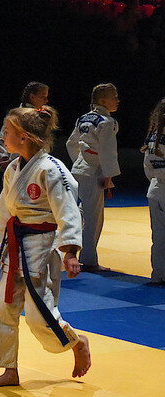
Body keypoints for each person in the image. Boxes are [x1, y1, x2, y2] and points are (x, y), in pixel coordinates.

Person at [0, 106, 91, 388]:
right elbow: (5, 208)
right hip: (15, 245)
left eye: (7, 132)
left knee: (38, 314)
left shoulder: (52, 169)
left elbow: (68, 209)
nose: (2, 136)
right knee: (2, 308)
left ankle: (76, 342)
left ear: (24, 137)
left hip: (42, 247)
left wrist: (71, 251)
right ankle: (9, 369)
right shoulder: (13, 169)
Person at [66, 83, 120, 272]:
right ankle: (89, 260)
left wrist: (80, 161)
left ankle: (70, 249)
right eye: (114, 97)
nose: (118, 100)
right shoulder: (107, 122)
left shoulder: (83, 118)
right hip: (95, 171)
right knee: (93, 218)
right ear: (103, 101)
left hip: (79, 169)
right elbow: (108, 151)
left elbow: (70, 143)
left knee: (81, 213)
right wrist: (107, 174)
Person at [0, 82, 49, 172]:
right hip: (19, 166)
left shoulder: (42, 116)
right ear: (32, 97)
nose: (46, 100)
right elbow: (1, 138)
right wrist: (4, 158)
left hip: (35, 165)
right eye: (43, 96)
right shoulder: (16, 116)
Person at [142, 98, 165, 285]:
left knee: (158, 237)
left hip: (155, 189)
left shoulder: (154, 136)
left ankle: (158, 274)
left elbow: (147, 167)